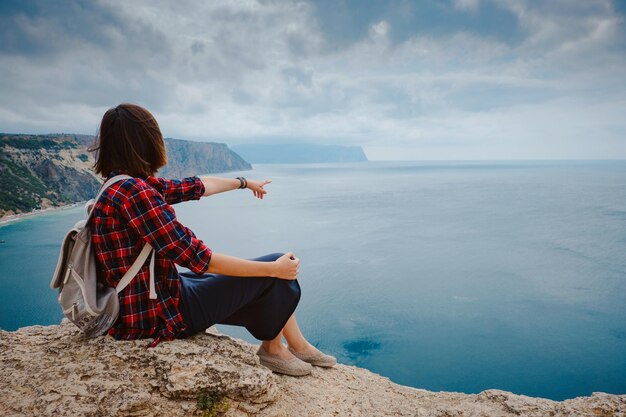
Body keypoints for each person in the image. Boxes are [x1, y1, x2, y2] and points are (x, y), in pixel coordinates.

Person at [89, 103, 335, 376]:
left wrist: (243, 182)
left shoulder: (118, 185)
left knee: (266, 271)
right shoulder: (136, 194)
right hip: (159, 316)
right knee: (274, 272)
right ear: (146, 141)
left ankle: (297, 344)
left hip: (149, 299)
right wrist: (273, 270)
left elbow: (196, 186)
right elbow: (200, 259)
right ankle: (273, 350)